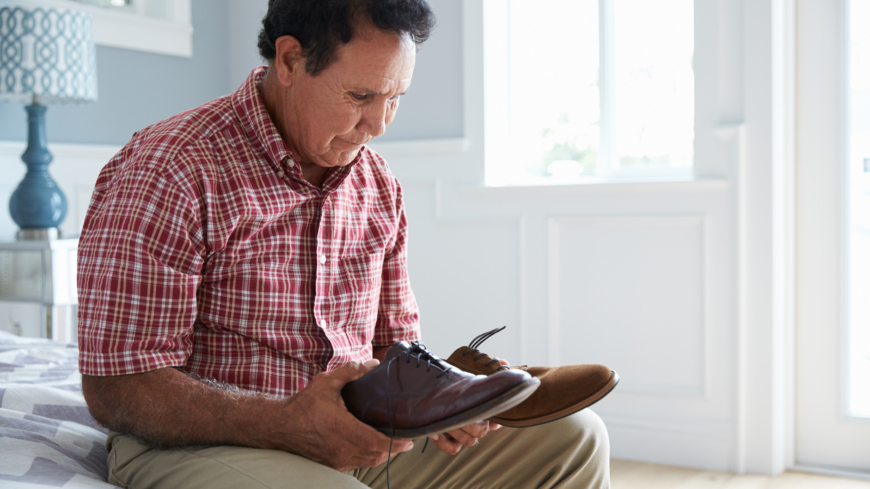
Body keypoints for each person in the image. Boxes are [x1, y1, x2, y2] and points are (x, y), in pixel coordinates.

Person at [77, 1, 611, 487]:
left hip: (360, 436)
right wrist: (288, 424)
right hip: (200, 444)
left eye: (395, 98)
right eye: (361, 96)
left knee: (577, 437)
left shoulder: (378, 184)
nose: (378, 125)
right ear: (289, 61)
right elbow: (118, 387)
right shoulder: (171, 169)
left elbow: (390, 349)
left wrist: (436, 407)